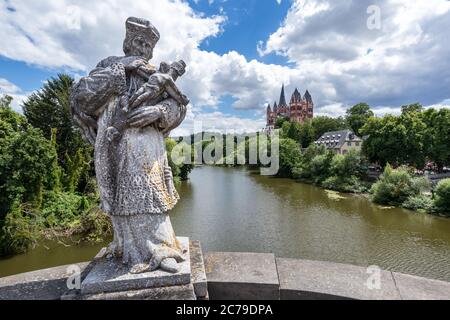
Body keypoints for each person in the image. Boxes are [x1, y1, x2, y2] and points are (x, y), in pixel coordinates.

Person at [70, 17, 189, 274]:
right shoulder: (109, 65)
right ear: (127, 42)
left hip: (149, 146)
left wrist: (158, 111)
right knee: (124, 199)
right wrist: (122, 68)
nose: (144, 49)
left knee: (150, 195)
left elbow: (179, 107)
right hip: (116, 143)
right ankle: (128, 247)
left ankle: (158, 248)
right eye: (139, 42)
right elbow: (81, 96)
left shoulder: (156, 72)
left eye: (148, 45)